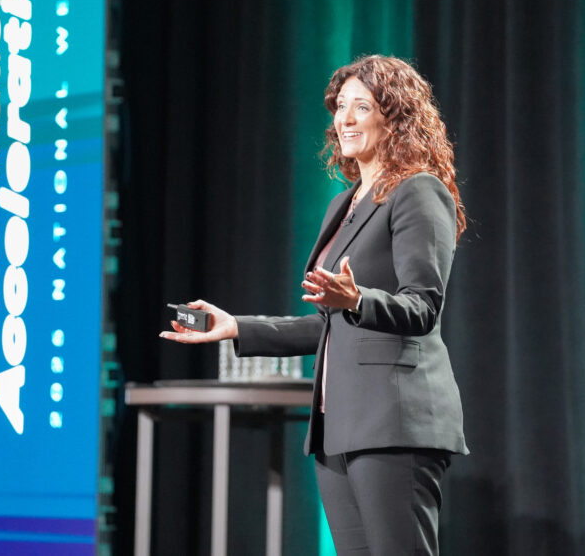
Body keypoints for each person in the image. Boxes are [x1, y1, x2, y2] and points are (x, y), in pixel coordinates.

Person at [160, 54, 468, 555]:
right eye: (340, 106)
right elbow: (331, 325)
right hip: (337, 428)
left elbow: (422, 306)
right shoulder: (343, 205)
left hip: (393, 422)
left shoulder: (418, 192)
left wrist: (357, 297)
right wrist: (235, 326)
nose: (345, 119)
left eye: (361, 107)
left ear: (395, 118)